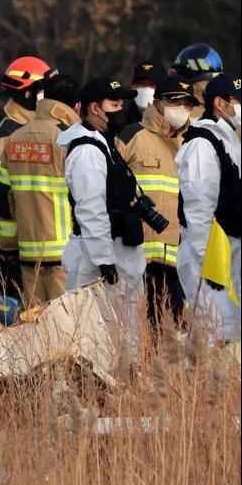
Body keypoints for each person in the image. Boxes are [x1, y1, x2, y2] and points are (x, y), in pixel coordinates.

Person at [59, 77, 147, 365]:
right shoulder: (87, 150)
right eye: (114, 103)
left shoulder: (106, 144)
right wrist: (104, 261)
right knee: (95, 340)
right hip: (98, 260)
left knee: (123, 335)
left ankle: (124, 391)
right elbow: (91, 209)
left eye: (123, 103)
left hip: (118, 251)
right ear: (95, 108)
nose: (121, 109)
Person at [117, 78, 198, 322]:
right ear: (157, 102)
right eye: (174, 101)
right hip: (137, 258)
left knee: (174, 335)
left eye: (186, 103)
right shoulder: (132, 136)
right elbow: (112, 187)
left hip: (179, 260)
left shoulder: (192, 142)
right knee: (137, 331)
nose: (180, 108)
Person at [3, 73, 82, 306]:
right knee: (68, 328)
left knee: (37, 327)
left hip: (28, 253)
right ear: (76, 105)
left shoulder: (15, 137)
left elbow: (0, 194)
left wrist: (8, 245)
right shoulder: (69, 138)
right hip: (65, 253)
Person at [175, 74, 241, 343]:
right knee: (217, 338)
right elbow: (199, 210)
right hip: (210, 262)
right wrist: (207, 268)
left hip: (228, 258)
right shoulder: (203, 142)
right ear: (220, 103)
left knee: (231, 338)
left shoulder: (229, 139)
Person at [0, 56, 53, 300]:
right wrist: (8, 248)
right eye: (45, 89)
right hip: (6, 251)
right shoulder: (6, 137)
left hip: (21, 244)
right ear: (28, 94)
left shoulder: (25, 131)